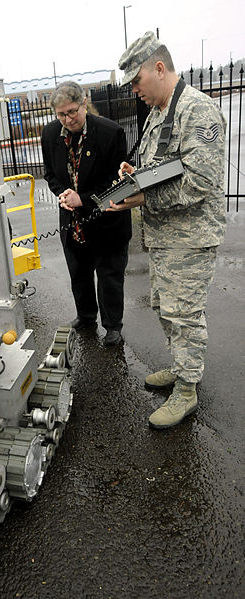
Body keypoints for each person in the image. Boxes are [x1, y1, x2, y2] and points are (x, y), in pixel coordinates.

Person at [109, 31, 226, 428]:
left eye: (136, 81)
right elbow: (159, 168)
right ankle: (181, 367)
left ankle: (187, 388)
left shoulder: (199, 111)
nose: (134, 91)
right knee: (165, 308)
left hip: (190, 239)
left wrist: (141, 199)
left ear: (159, 68)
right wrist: (134, 176)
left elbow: (198, 182)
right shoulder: (160, 112)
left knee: (185, 314)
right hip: (163, 238)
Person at [41, 81, 132, 345]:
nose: (67, 119)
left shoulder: (110, 132)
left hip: (107, 221)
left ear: (84, 102)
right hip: (73, 221)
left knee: (109, 277)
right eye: (61, 114)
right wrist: (64, 194)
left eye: (72, 112)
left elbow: (117, 182)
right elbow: (50, 173)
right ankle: (86, 315)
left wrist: (83, 199)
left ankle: (113, 326)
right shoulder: (49, 134)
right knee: (79, 273)